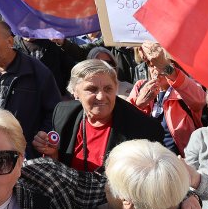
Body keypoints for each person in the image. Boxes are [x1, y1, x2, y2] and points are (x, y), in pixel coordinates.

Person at [32, 59, 164, 172]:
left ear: (116, 88)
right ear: (75, 92)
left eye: (108, 89)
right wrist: (51, 153)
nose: (101, 97)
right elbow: (58, 168)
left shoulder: (144, 129)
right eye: (92, 89)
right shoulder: (63, 113)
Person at [0, 16, 61, 155]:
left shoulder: (37, 71)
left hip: (23, 154)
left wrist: (43, 137)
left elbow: (54, 112)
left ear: (10, 41)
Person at [127, 41, 205, 156]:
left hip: (182, 162)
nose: (154, 68)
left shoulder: (185, 87)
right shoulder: (140, 87)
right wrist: (138, 105)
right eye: (149, 63)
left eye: (157, 63)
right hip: (149, 160)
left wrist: (165, 68)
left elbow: (199, 100)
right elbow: (123, 120)